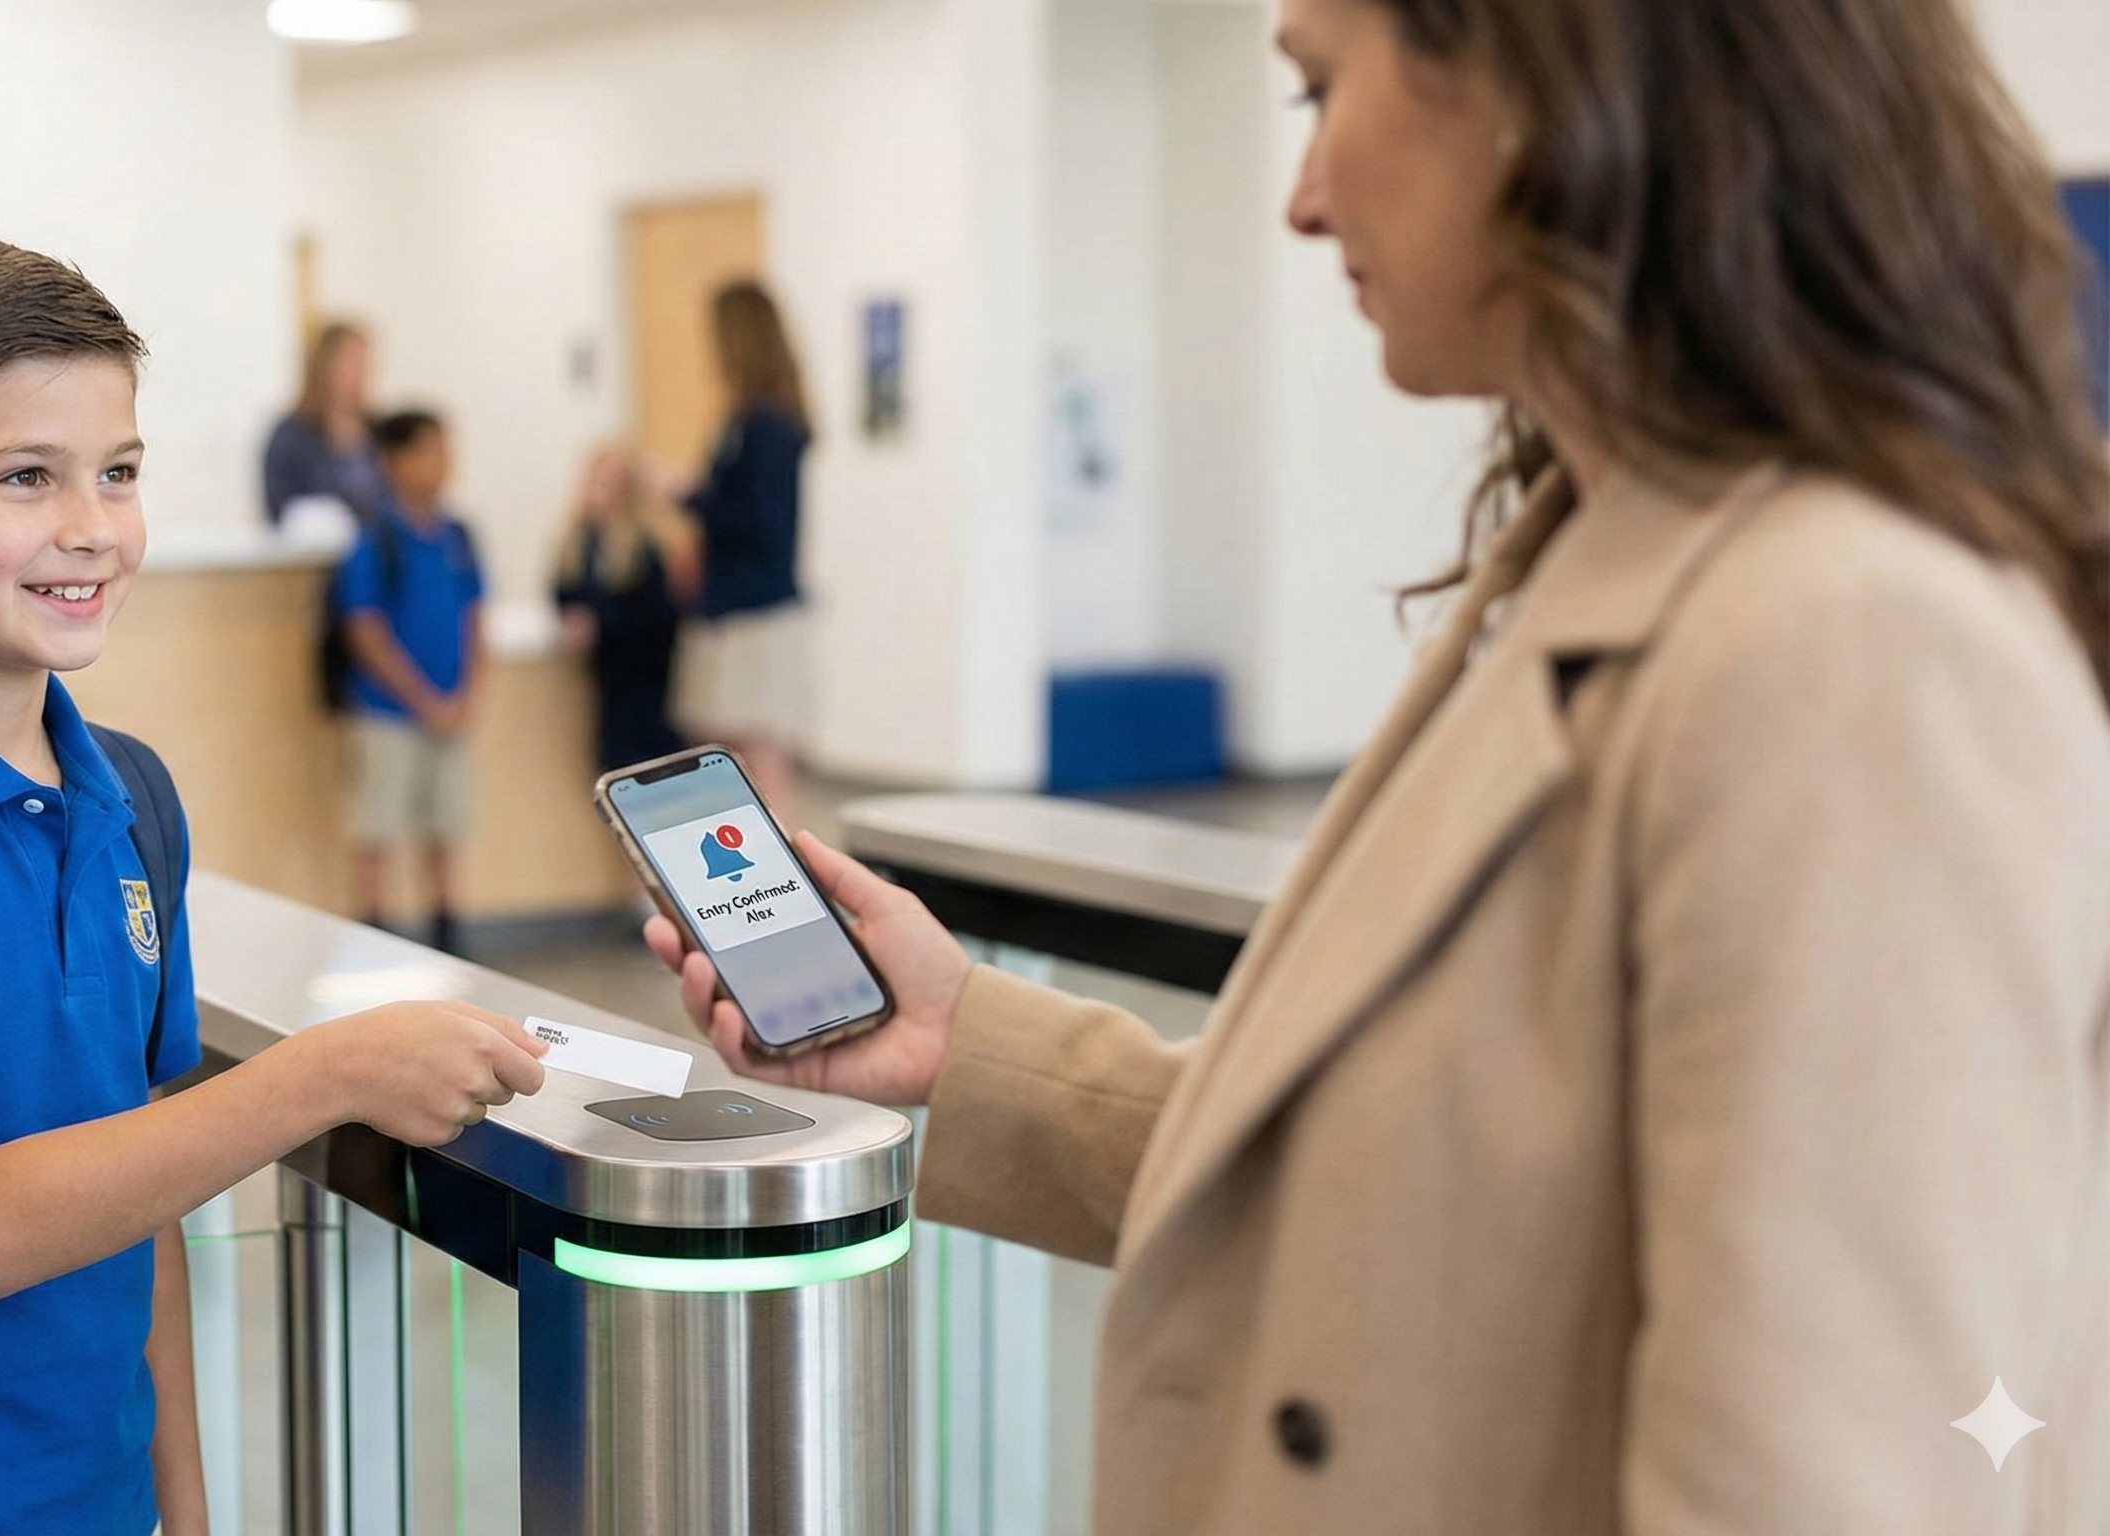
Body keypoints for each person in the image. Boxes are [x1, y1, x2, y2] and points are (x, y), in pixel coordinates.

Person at [648, 0, 2110, 1528]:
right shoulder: (1585, 563)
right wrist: (963, 1048)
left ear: (1552, 85)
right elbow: (1431, 1197)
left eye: (1320, 91)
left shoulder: (1857, 649)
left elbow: (1826, 1472)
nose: (1301, 197)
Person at [0, 238, 545, 1534]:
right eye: (25, 478)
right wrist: (333, 1073)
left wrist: (180, 1508)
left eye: (120, 474)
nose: (91, 527)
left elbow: (136, 1199)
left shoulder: (129, 797)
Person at [337, 409, 486, 954]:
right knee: (379, 827)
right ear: (393, 461)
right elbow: (365, 630)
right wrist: (423, 700)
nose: (442, 464)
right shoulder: (376, 541)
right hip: (387, 713)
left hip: (449, 710)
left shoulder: (459, 536)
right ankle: (375, 932)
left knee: (446, 824)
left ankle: (448, 932)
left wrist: (465, 693)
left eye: (447, 449)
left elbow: (473, 616)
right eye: (427, 450)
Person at [677, 280, 814, 824]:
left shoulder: (768, 426)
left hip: (756, 611)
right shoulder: (743, 421)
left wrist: (688, 496)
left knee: (758, 753)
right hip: (730, 605)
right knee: (719, 752)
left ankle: (782, 884)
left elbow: (758, 519)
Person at [553, 443, 700, 772]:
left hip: (647, 682)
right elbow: (564, 592)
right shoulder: (579, 543)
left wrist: (600, 623)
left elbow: (656, 614)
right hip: (608, 683)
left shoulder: (646, 545)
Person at [260, 320, 386, 530]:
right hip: (320, 555)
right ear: (325, 366)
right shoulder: (291, 436)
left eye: (365, 364)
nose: (360, 374)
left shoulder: (377, 431)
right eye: (352, 363)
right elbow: (280, 510)